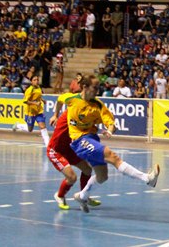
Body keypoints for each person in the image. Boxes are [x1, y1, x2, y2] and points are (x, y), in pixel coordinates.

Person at [49, 75, 160, 213]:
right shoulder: (71, 99)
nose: (97, 90)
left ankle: (82, 195)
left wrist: (110, 130)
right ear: (85, 87)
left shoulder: (98, 105)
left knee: (102, 176)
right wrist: (55, 114)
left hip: (92, 138)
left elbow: (111, 122)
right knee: (112, 156)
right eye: (95, 87)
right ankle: (147, 178)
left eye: (98, 88)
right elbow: (59, 101)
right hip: (79, 140)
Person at [47, 110, 101, 210]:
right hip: (56, 151)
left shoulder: (81, 116)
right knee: (72, 177)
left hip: (69, 150)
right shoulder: (70, 115)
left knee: (87, 170)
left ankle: (83, 196)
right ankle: (59, 196)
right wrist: (55, 115)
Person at [12, 75, 50, 147]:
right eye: (34, 80)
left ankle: (48, 145)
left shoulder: (39, 88)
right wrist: (35, 103)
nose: (36, 81)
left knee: (43, 127)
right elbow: (25, 101)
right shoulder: (29, 90)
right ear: (31, 81)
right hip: (30, 113)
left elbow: (38, 96)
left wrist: (42, 100)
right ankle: (18, 125)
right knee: (30, 129)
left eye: (37, 80)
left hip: (38, 112)